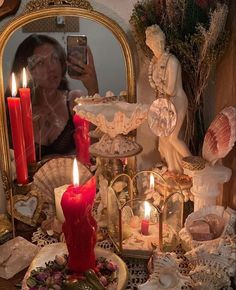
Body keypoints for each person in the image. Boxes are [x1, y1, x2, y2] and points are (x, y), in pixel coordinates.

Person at [6, 34, 98, 159]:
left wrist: (93, 88)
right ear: (26, 71)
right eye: (40, 62)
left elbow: (95, 149)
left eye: (54, 58)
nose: (52, 68)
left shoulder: (75, 101)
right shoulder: (14, 110)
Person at [145, 25, 191, 173]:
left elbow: (171, 90)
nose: (159, 46)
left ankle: (196, 169)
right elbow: (158, 88)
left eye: (161, 42)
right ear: (149, 45)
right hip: (164, 104)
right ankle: (173, 170)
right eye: (155, 43)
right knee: (164, 140)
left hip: (176, 101)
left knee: (173, 138)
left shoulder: (172, 61)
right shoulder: (155, 62)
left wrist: (158, 86)